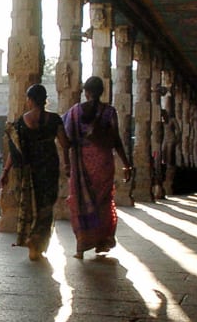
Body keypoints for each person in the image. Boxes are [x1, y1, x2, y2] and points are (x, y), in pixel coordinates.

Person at [63, 76, 132, 259]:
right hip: (103, 162)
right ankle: (101, 240)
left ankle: (81, 244)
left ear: (85, 92)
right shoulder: (109, 112)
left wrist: (67, 163)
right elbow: (116, 140)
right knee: (102, 202)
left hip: (81, 163)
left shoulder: (74, 113)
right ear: (102, 92)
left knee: (81, 202)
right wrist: (127, 164)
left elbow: (66, 141)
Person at [1, 84, 70, 261]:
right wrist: (68, 163)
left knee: (31, 203)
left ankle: (31, 237)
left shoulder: (21, 123)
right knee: (46, 206)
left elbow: (14, 151)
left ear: (30, 100)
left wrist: (6, 171)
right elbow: (65, 144)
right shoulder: (54, 120)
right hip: (49, 168)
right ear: (45, 99)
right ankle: (37, 241)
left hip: (30, 170)